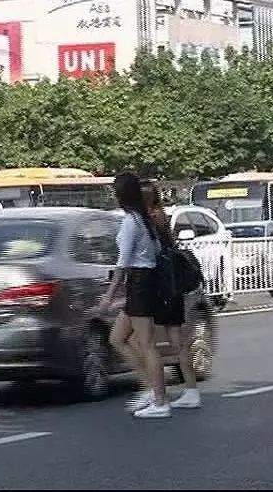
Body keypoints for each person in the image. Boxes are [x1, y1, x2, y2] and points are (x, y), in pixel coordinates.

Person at [101, 172, 170, 419]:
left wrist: (109, 295)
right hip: (141, 283)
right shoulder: (141, 220)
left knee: (147, 344)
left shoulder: (132, 221)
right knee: (117, 338)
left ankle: (161, 401)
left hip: (140, 282)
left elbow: (124, 262)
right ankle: (152, 388)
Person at [142, 182, 202, 409]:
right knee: (175, 339)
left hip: (165, 286)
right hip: (171, 285)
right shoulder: (160, 215)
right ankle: (189, 389)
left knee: (171, 340)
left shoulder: (154, 218)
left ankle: (179, 391)